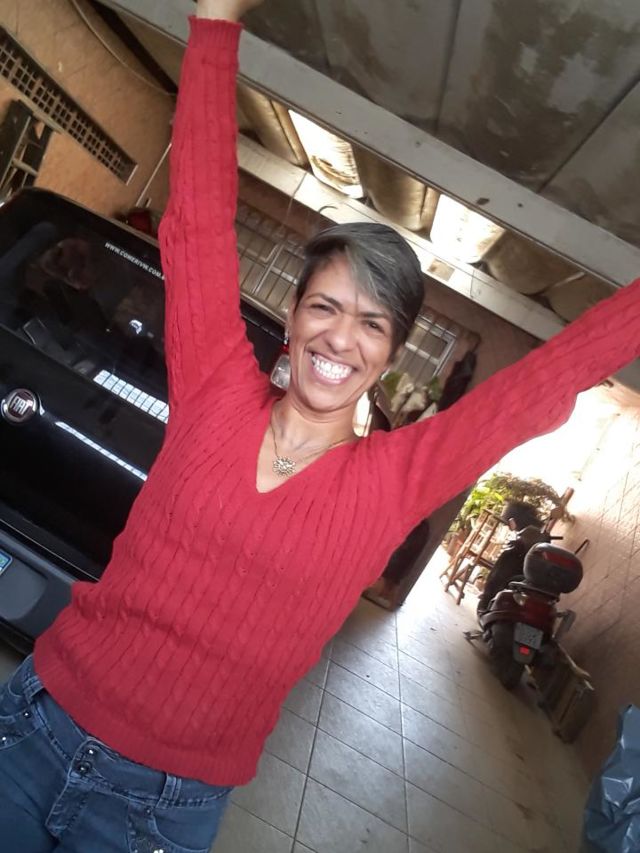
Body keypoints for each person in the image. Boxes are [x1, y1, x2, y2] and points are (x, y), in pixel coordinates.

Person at [1, 0, 639, 849]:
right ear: (295, 315)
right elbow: (196, 224)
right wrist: (214, 23)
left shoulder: (394, 480)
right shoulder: (216, 390)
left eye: (372, 323)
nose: (341, 337)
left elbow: (545, 381)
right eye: (326, 306)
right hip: (34, 725)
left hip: (156, 812)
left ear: (391, 355)